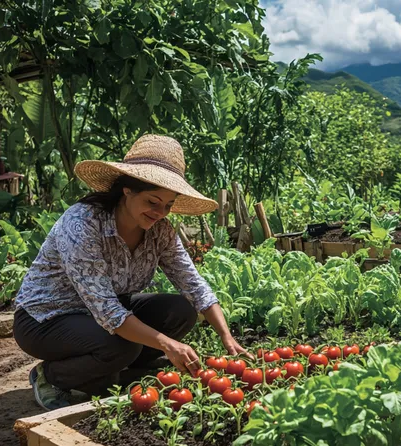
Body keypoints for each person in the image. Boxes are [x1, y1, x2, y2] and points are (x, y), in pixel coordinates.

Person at [13, 134, 246, 411]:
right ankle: (51, 377)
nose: (160, 212)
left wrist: (226, 336)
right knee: (122, 347)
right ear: (127, 191)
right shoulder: (82, 224)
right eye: (153, 201)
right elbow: (107, 311)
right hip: (47, 319)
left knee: (180, 310)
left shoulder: (160, 231)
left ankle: (115, 367)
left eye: (168, 205)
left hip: (103, 316)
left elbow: (193, 283)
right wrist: (167, 345)